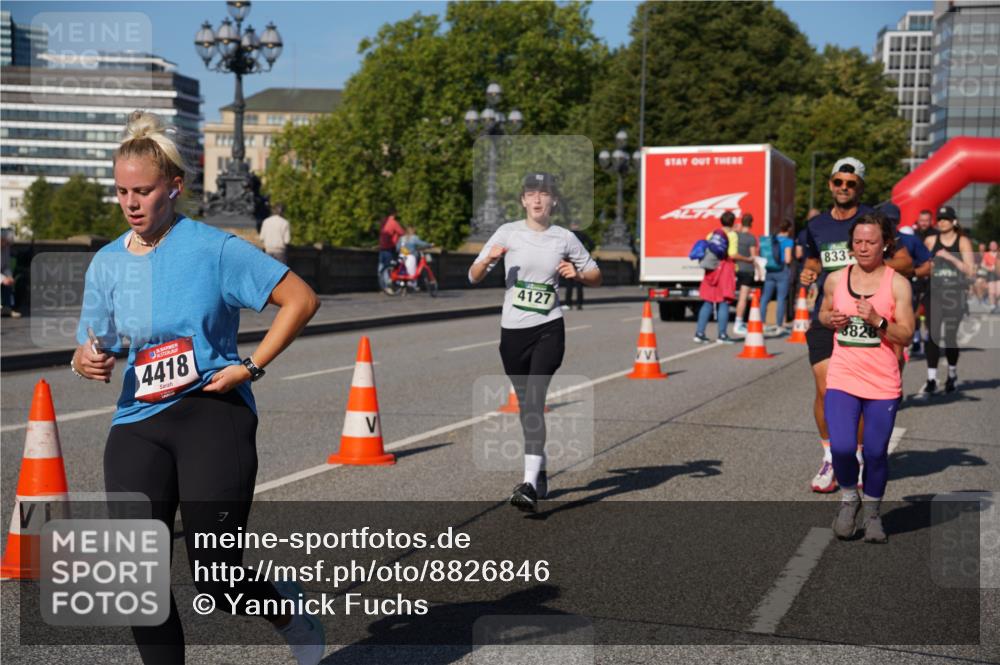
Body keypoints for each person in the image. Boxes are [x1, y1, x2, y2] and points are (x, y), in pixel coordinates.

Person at [71, 111, 324, 665]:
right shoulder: (107, 263)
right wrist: (86, 359)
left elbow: (301, 300)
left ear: (175, 188)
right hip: (138, 422)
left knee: (216, 577)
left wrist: (252, 367)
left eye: (143, 191)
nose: (131, 203)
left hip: (212, 414)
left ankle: (288, 611)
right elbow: (95, 343)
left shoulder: (214, 249)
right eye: (121, 192)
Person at [468, 172, 601, 512]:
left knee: (533, 403)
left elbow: (596, 275)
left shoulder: (565, 238)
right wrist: (489, 260)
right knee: (527, 405)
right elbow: (473, 275)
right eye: (532, 193)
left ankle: (527, 484)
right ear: (523, 201)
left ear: (554, 200)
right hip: (512, 333)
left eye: (544, 193)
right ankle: (538, 468)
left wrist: (579, 274)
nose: (538, 199)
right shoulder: (507, 233)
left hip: (548, 329)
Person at [799, 157, 914, 494]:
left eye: (851, 183)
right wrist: (809, 273)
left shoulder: (870, 223)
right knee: (825, 386)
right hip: (829, 316)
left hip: (869, 316)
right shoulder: (817, 225)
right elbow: (812, 259)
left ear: (860, 187)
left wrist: (870, 262)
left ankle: (859, 455)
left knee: (860, 392)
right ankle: (831, 456)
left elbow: (906, 260)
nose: (844, 188)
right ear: (831, 184)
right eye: (839, 182)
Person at [818, 212, 914, 543]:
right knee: (843, 448)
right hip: (843, 376)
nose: (862, 248)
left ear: (885, 243)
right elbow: (823, 312)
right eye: (857, 241)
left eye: (870, 242)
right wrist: (830, 319)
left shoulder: (897, 284)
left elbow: (906, 335)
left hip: (882, 382)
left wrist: (878, 320)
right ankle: (849, 500)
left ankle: (872, 515)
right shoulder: (835, 279)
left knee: (874, 452)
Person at [918, 206, 976, 396]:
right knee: (932, 335)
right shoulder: (930, 240)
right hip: (933, 293)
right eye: (940, 218)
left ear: (953, 222)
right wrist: (929, 266)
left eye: (946, 219)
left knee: (950, 337)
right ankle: (932, 378)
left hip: (954, 294)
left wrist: (949, 257)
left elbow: (970, 271)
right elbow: (923, 266)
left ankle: (952, 374)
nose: (942, 222)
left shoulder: (963, 241)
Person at [693, 211, 738, 344]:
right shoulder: (732, 235)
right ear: (733, 222)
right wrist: (748, 259)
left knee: (707, 301)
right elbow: (732, 254)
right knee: (723, 302)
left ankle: (699, 333)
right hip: (724, 270)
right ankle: (722, 335)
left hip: (711, 270)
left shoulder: (712, 234)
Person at [759, 219, 795, 335]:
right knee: (781, 298)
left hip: (770, 270)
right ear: (788, 229)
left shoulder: (771, 239)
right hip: (782, 271)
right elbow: (788, 259)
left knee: (765, 298)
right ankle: (779, 325)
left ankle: (762, 324)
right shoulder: (788, 241)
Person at [731, 214, 760, 336]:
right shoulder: (751, 238)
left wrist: (735, 228)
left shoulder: (735, 235)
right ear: (751, 224)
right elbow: (753, 257)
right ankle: (738, 322)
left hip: (734, 268)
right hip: (747, 270)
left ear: (741, 223)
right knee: (743, 298)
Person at [563, 221, 595, 310]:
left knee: (569, 283)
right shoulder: (583, 235)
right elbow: (592, 245)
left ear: (571, 226)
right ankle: (579, 304)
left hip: (569, 260)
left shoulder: (567, 236)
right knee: (579, 283)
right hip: (580, 261)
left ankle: (568, 304)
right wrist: (586, 252)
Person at [378, 209, 404, 290]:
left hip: (382, 247)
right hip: (389, 247)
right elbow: (402, 232)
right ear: (394, 214)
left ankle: (382, 285)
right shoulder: (393, 222)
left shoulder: (383, 222)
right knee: (389, 267)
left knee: (381, 267)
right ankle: (389, 286)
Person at [985, 240, 999, 313]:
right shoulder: (986, 254)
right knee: (991, 292)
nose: (993, 246)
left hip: (998, 273)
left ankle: (996, 304)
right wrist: (989, 268)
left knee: (998, 292)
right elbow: (982, 264)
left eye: (994, 245)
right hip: (990, 274)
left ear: (997, 246)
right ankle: (992, 306)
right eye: (992, 245)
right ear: (989, 247)